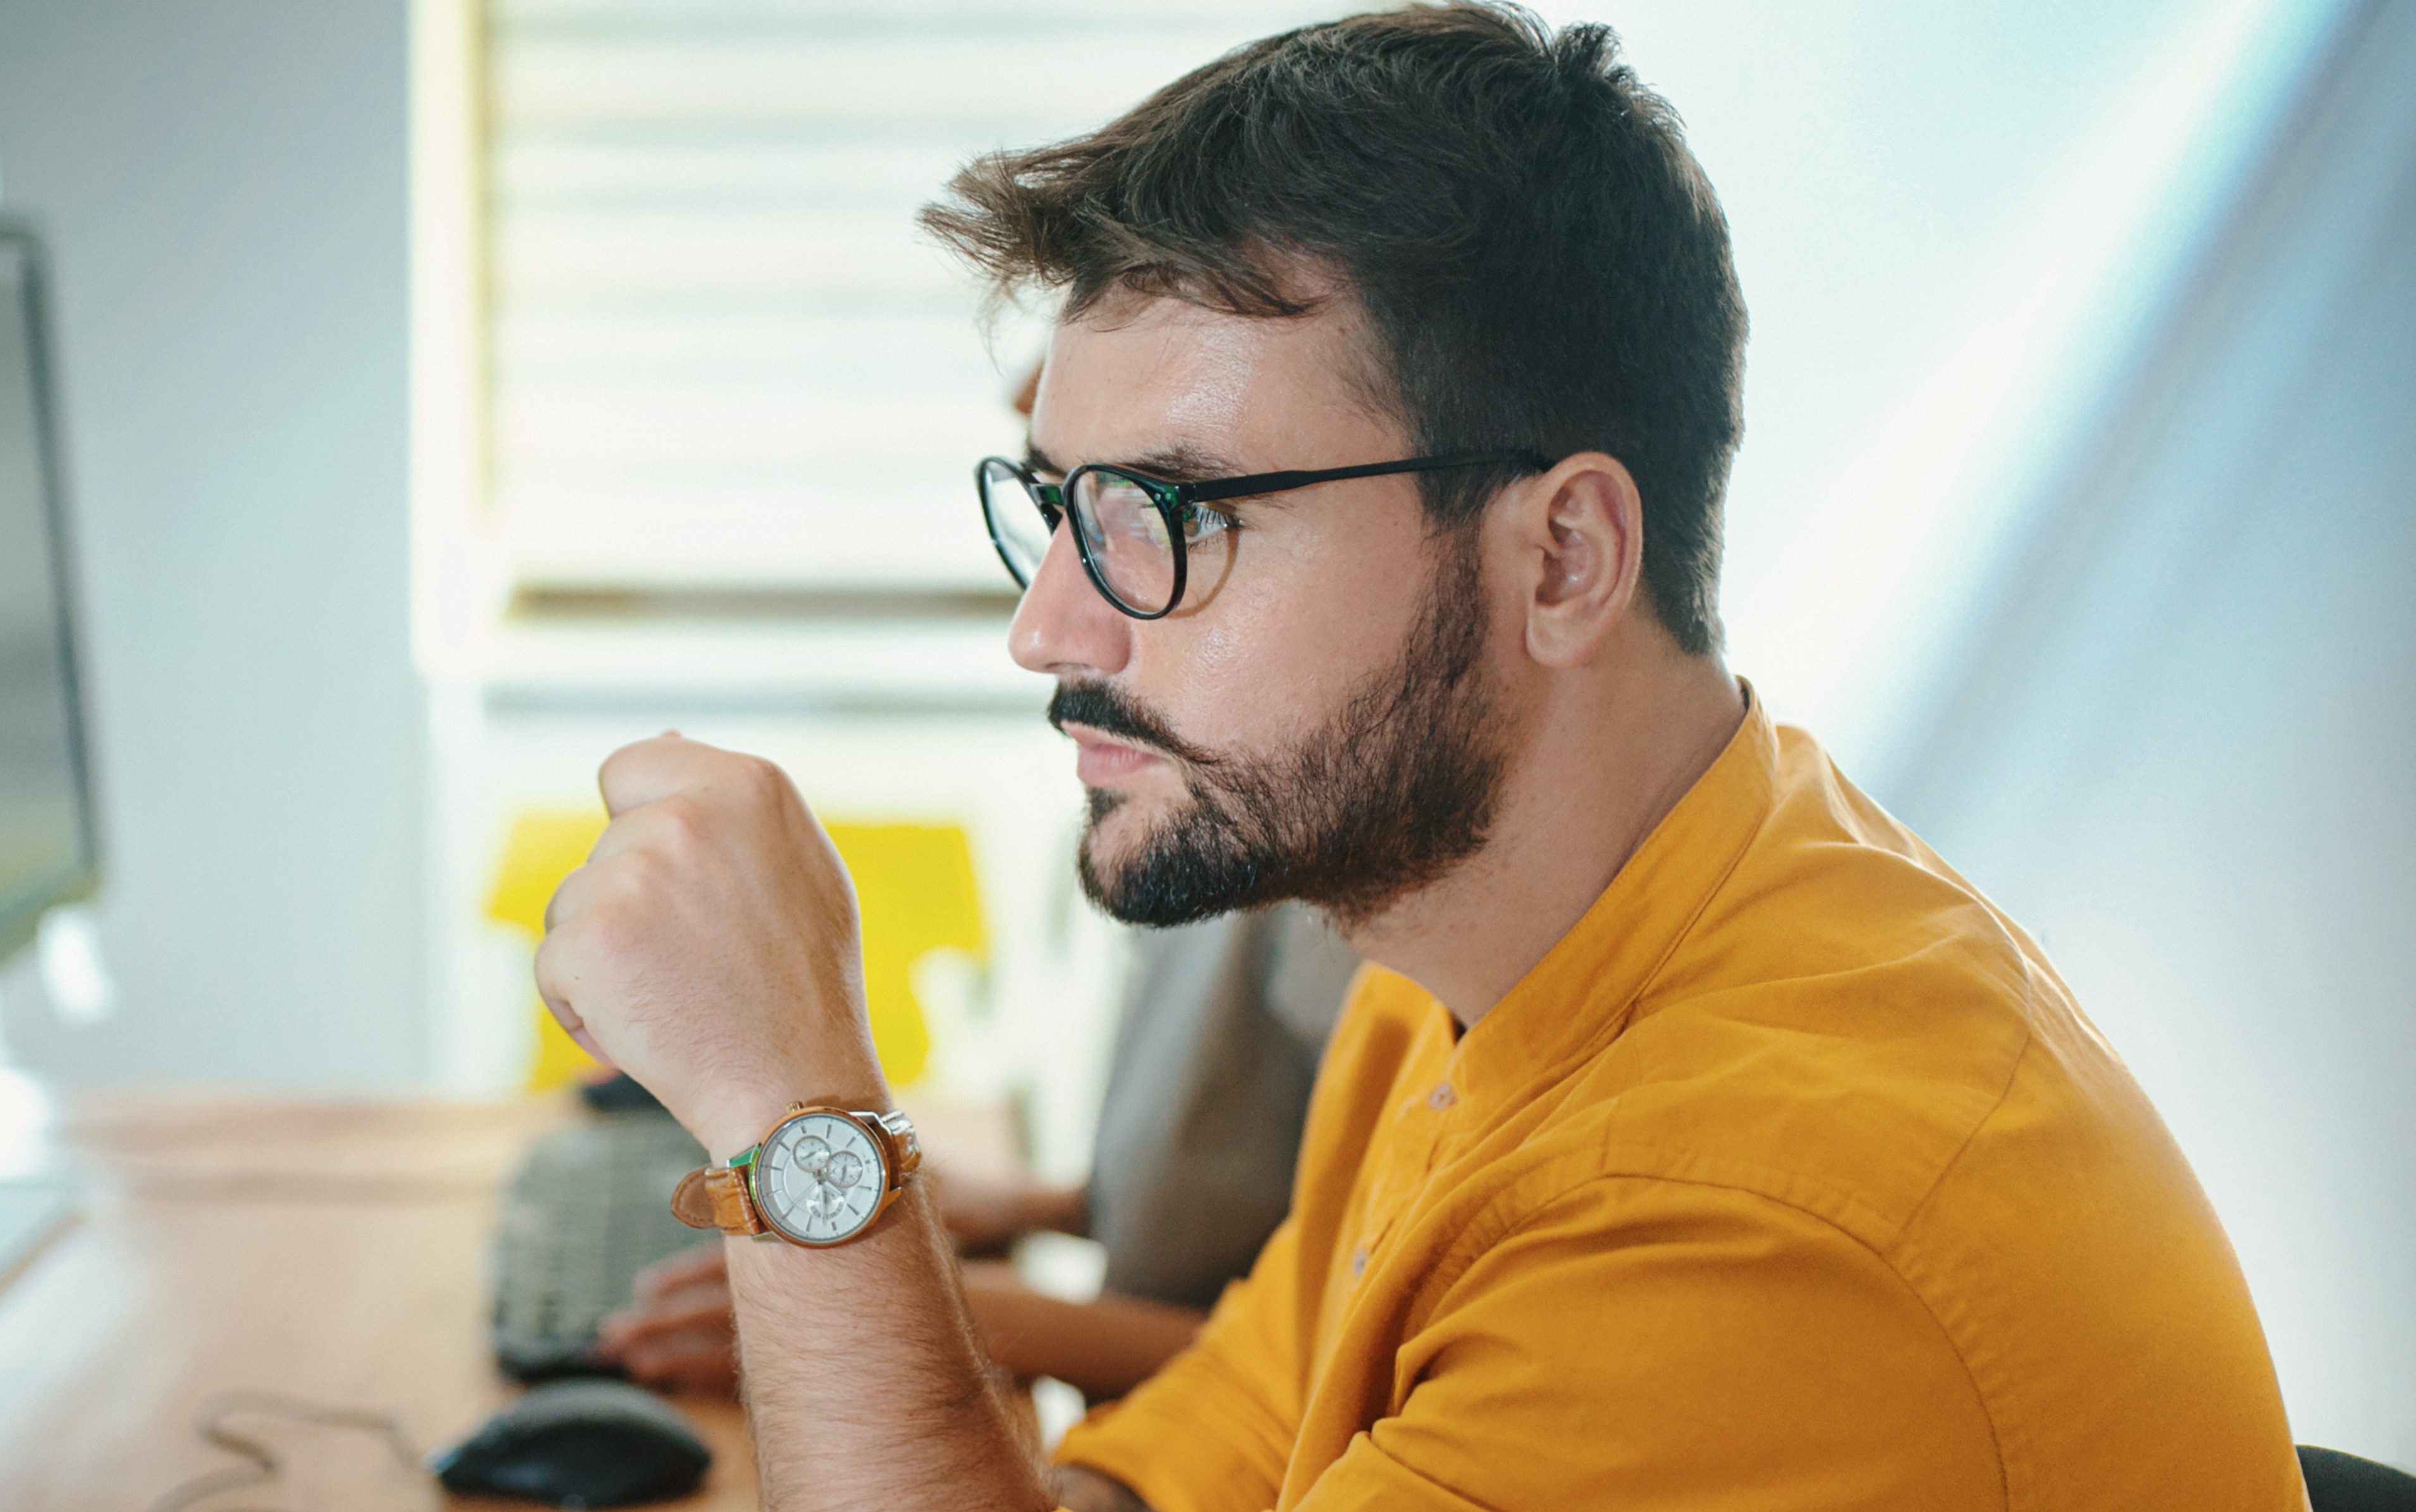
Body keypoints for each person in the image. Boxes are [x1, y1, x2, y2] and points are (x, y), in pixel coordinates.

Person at [531, 6, 2303, 1509]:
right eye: (1059, 509)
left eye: (1168, 515)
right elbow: (1177, 1472)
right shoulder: (1469, 951)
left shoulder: (1747, 1239)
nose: (1051, 629)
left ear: (1560, 559)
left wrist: (802, 1121)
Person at [596, 903, 1355, 1401]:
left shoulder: (1364, 950)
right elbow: (1270, 1177)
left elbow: (1339, 1365)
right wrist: (1041, 1206)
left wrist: (929, 1316)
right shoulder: (1203, 827)